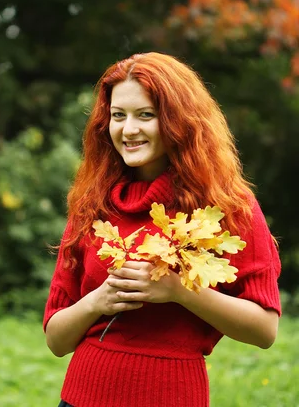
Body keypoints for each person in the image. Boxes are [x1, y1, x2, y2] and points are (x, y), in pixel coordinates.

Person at [43, 52, 281, 407]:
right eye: (118, 116)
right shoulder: (92, 203)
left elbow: (264, 330)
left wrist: (178, 291)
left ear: (178, 121)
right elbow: (56, 340)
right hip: (81, 397)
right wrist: (99, 300)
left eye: (146, 115)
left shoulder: (229, 206)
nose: (128, 129)